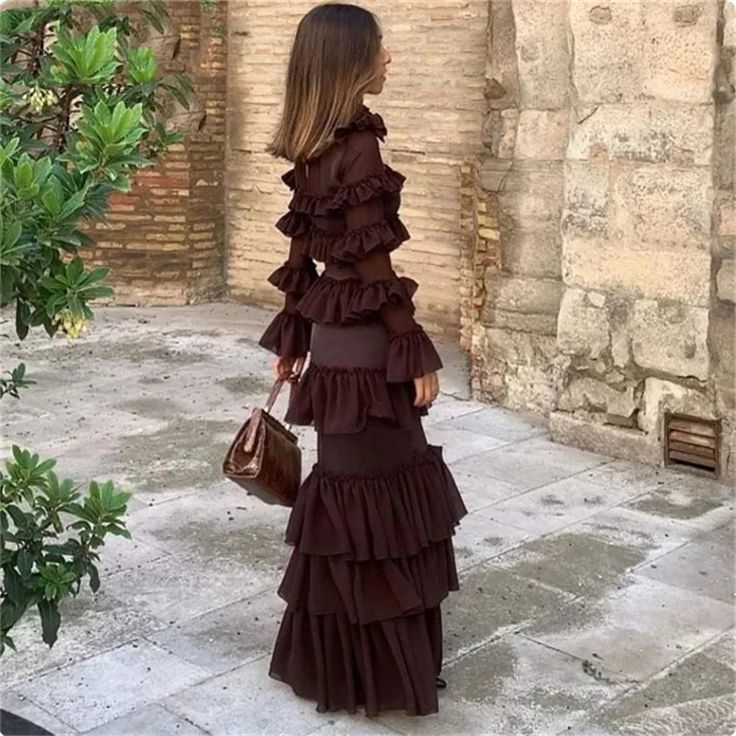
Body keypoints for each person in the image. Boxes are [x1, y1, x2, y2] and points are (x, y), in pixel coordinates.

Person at [258, 2, 467, 717]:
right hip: (371, 351)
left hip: (330, 350)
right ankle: (386, 674)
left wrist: (292, 343)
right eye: (380, 49)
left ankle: (343, 669)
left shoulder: (310, 145)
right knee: (390, 510)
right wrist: (413, 351)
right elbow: (375, 267)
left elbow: (298, 262)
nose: (390, 60)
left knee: (348, 506)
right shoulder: (358, 149)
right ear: (352, 61)